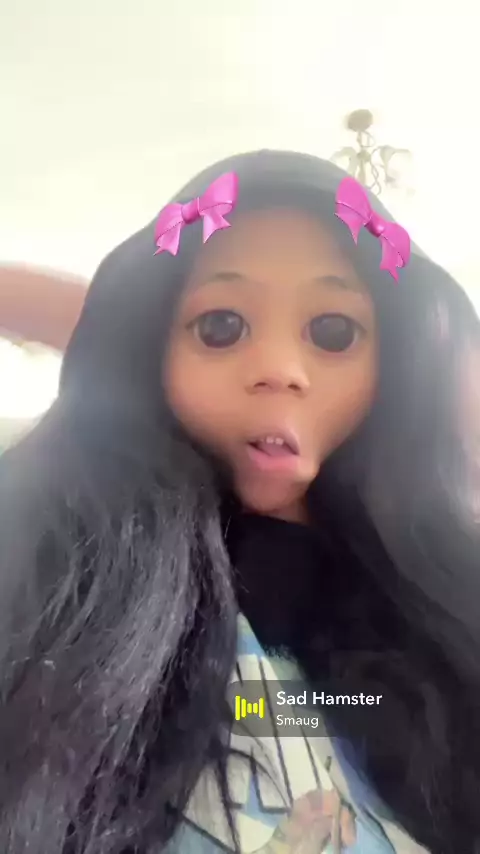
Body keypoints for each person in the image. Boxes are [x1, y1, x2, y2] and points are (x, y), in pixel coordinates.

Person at [0, 150, 478, 854]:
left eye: (334, 332)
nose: (280, 370)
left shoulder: (427, 582)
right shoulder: (65, 558)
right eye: (220, 328)